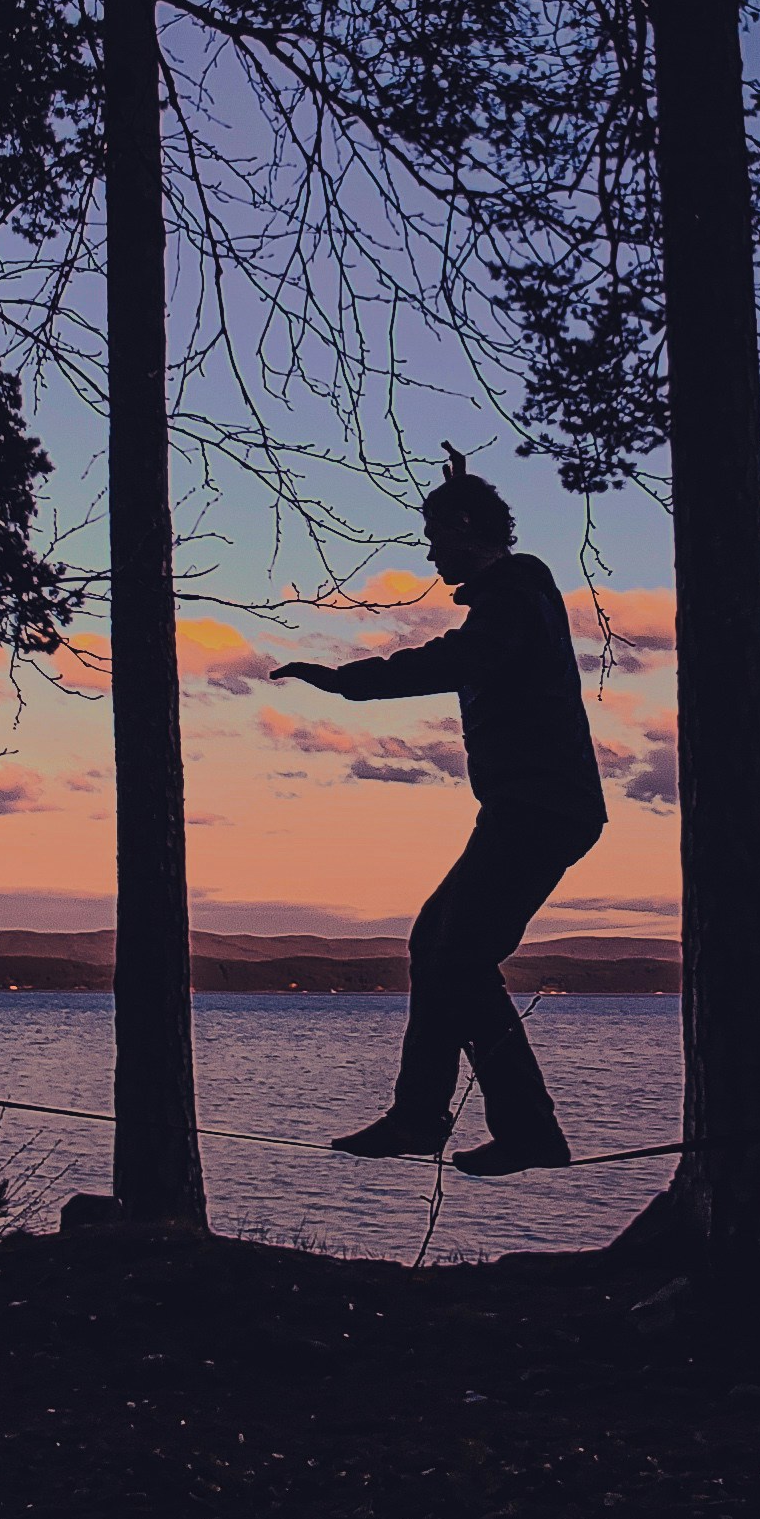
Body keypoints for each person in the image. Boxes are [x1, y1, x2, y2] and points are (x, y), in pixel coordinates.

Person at [270, 453, 602, 1175]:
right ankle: (435, 1116)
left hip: (543, 806)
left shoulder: (516, 590)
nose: (430, 555)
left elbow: (457, 659)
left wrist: (346, 682)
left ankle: (496, 1126)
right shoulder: (512, 595)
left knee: (457, 954)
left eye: (435, 536)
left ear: (465, 528)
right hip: (530, 805)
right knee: (438, 946)